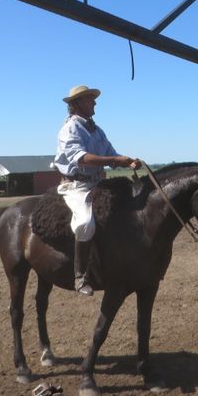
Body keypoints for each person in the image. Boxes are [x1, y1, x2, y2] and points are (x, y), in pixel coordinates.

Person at [54, 85, 141, 295]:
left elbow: (112, 153)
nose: (95, 102)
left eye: (93, 98)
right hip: (77, 186)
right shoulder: (70, 129)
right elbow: (81, 158)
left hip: (98, 182)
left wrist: (128, 161)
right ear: (76, 104)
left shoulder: (97, 130)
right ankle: (80, 275)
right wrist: (115, 160)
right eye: (90, 99)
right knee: (85, 223)